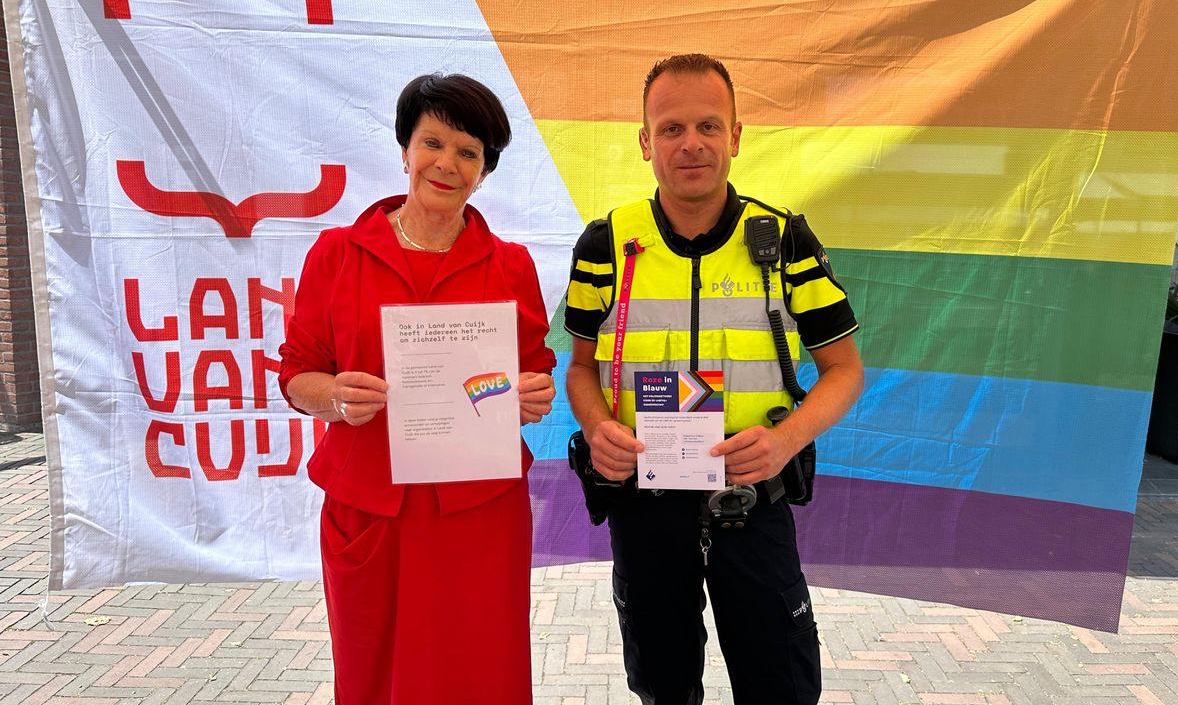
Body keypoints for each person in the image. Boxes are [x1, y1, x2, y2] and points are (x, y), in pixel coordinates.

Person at [564, 54, 865, 705]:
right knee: (663, 689)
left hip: (753, 509)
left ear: (736, 135)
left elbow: (844, 371)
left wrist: (785, 442)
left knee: (780, 688)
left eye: (708, 125)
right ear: (645, 143)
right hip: (644, 515)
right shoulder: (604, 245)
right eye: (671, 128)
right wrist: (598, 426)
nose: (691, 143)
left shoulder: (783, 240)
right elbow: (581, 370)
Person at [278, 73, 556, 704]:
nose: (447, 163)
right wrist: (335, 398)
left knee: (480, 670)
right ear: (405, 149)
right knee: (372, 672)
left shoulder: (509, 264)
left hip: (477, 510)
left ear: (484, 171)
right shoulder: (338, 254)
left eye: (468, 152)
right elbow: (297, 373)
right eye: (433, 142)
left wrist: (533, 395)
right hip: (371, 507)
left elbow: (533, 371)